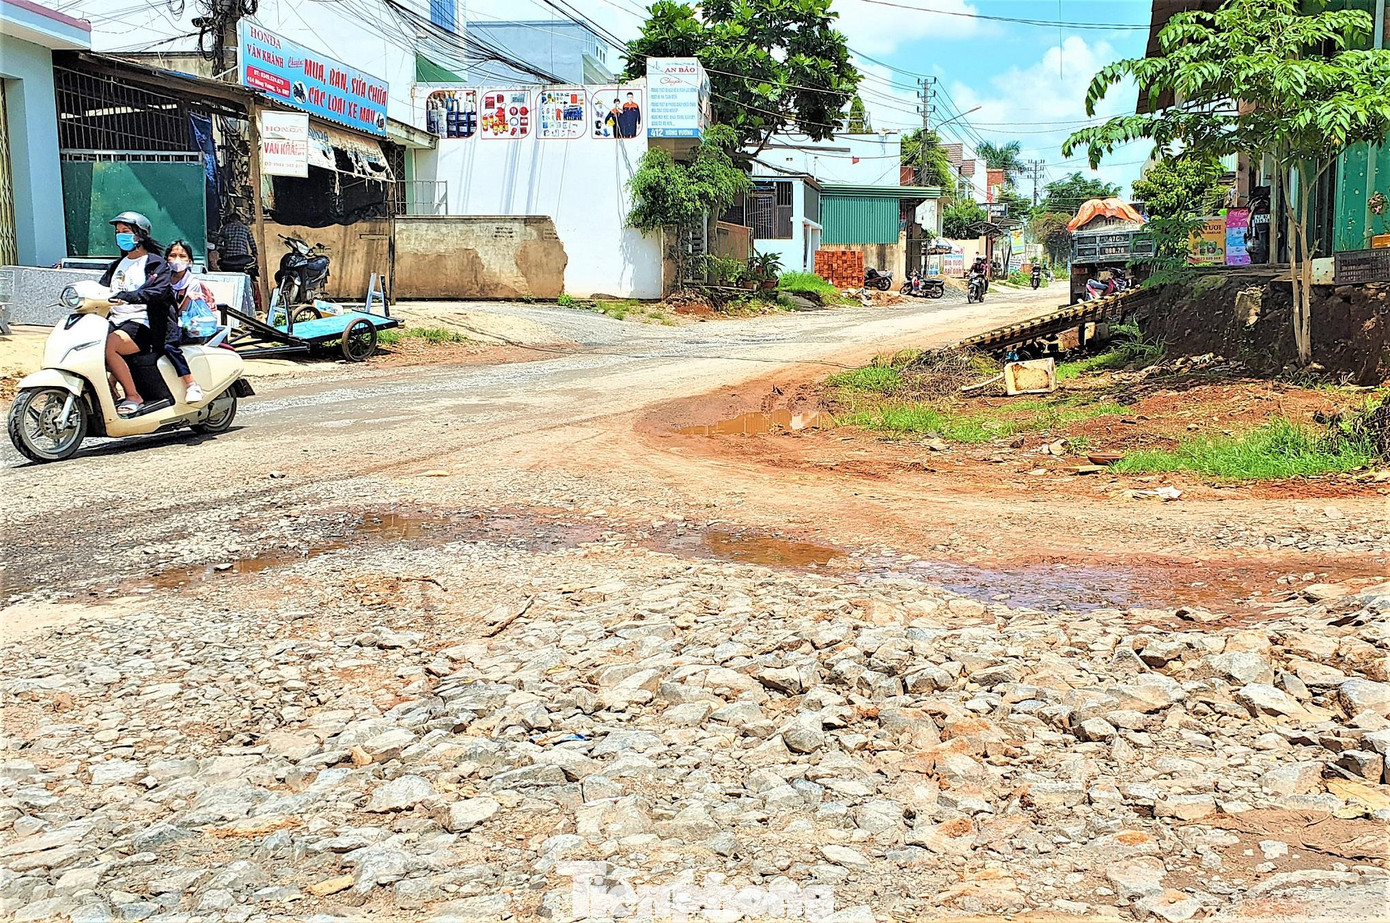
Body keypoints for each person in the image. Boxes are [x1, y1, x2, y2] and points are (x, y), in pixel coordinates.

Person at [100, 211, 173, 417]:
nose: (120, 236)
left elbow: (157, 291)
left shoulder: (154, 263)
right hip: (116, 320)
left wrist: (131, 296)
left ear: (140, 235)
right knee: (89, 346)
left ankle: (133, 396)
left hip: (143, 322)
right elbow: (102, 290)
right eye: (117, 232)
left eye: (125, 231)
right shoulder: (117, 265)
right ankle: (110, 392)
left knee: (109, 346)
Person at [165, 240, 218, 403]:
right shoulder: (162, 279)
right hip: (166, 323)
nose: (177, 260)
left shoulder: (192, 283)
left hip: (186, 327)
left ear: (190, 261)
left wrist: (187, 298)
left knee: (167, 345)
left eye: (182, 256)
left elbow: (181, 313)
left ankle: (191, 384)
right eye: (173, 255)